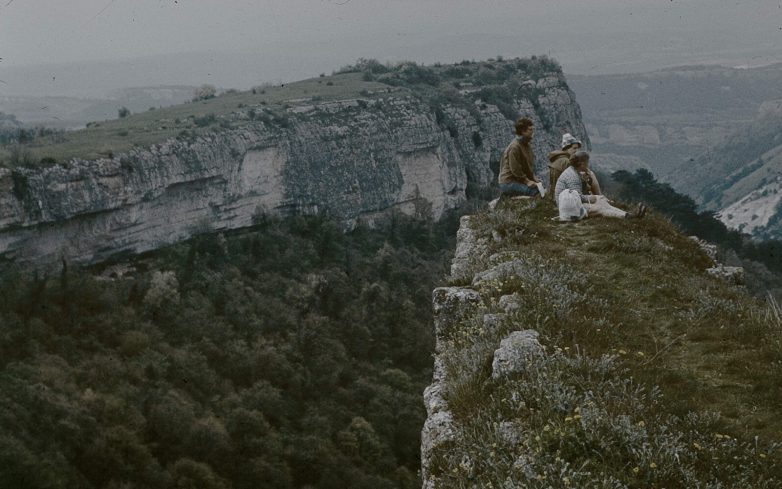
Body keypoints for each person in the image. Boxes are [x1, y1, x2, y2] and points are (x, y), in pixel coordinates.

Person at [555, 151, 646, 219]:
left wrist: (587, 181)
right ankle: (628, 216)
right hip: (568, 207)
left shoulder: (575, 172)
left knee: (602, 202)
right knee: (600, 208)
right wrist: (592, 198)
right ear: (582, 164)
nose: (588, 164)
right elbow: (577, 197)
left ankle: (628, 215)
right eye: (587, 162)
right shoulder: (572, 176)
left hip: (570, 204)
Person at [498, 117, 542, 197]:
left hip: (517, 180)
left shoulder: (526, 145)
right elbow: (515, 169)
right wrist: (527, 181)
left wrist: (534, 178)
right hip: (508, 182)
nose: (533, 132)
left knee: (540, 187)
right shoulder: (514, 147)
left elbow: (527, 166)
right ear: (523, 131)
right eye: (530, 130)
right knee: (535, 192)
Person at [547, 133, 582, 199]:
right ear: (566, 148)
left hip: (555, 195)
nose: (576, 151)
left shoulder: (558, 159)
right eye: (574, 148)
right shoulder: (567, 162)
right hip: (562, 197)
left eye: (577, 149)